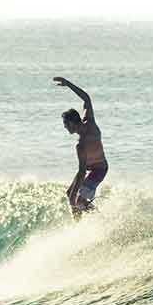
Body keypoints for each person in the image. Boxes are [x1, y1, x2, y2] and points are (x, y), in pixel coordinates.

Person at [53, 77, 108, 220]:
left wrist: (68, 84)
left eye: (66, 125)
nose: (65, 128)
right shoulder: (87, 128)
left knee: (77, 201)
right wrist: (72, 193)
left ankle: (102, 220)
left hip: (99, 170)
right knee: (69, 194)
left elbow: (82, 171)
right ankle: (78, 224)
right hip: (92, 168)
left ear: (72, 123)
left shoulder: (82, 142)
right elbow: (87, 98)